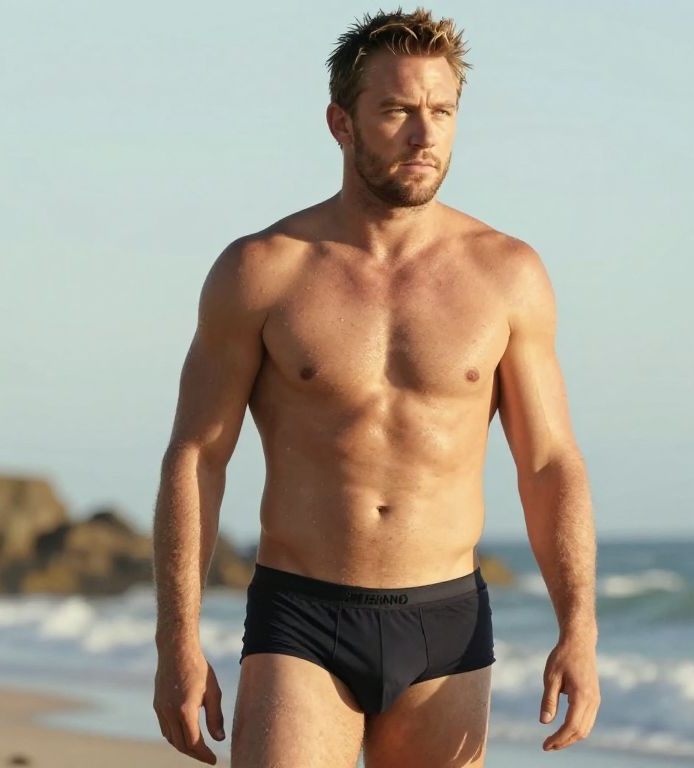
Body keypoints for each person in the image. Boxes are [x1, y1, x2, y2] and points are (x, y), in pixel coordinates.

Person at [152, 7, 600, 767]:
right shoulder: (263, 271)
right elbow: (196, 457)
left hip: (446, 624)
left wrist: (580, 625)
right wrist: (177, 643)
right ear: (341, 122)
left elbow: (549, 461)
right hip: (302, 617)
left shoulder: (507, 275)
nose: (425, 137)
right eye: (396, 110)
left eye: (442, 111)